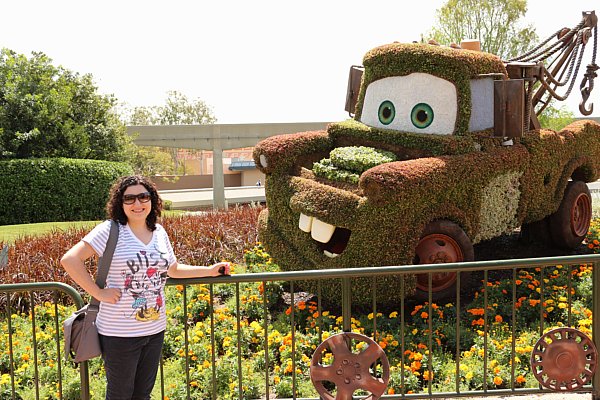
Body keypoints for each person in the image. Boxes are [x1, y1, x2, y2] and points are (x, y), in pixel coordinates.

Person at [61, 175, 229, 400]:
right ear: (120, 203)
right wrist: (98, 292)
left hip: (154, 329)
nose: (137, 204)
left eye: (143, 197)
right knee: (120, 394)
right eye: (129, 199)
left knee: (143, 395)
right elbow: (70, 259)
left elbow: (173, 269)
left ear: (152, 200)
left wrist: (209, 270)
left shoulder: (159, 233)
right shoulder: (110, 231)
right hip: (119, 332)